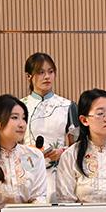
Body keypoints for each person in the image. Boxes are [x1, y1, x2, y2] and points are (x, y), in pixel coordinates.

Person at [20, 53, 79, 202]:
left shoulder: (67, 106)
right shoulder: (19, 107)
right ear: (28, 76)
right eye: (41, 72)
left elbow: (77, 145)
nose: (47, 77)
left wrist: (62, 151)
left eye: (50, 71)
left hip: (59, 172)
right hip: (26, 171)